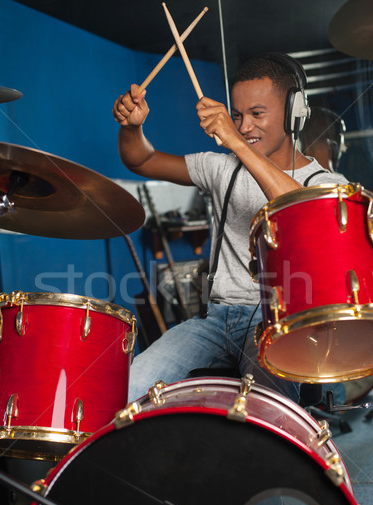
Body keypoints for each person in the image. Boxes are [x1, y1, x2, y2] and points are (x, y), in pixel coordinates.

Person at [112, 52, 347, 404]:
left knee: (268, 414)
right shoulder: (222, 169)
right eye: (237, 116)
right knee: (126, 391)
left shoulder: (324, 182)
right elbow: (142, 159)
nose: (244, 127)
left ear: (294, 112)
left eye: (257, 114)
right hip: (214, 318)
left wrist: (236, 143)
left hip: (275, 325)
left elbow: (305, 211)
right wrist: (132, 127)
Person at [300, 106, 373, 406]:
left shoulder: (281, 182)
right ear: (334, 142)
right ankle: (340, 392)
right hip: (332, 308)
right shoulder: (340, 187)